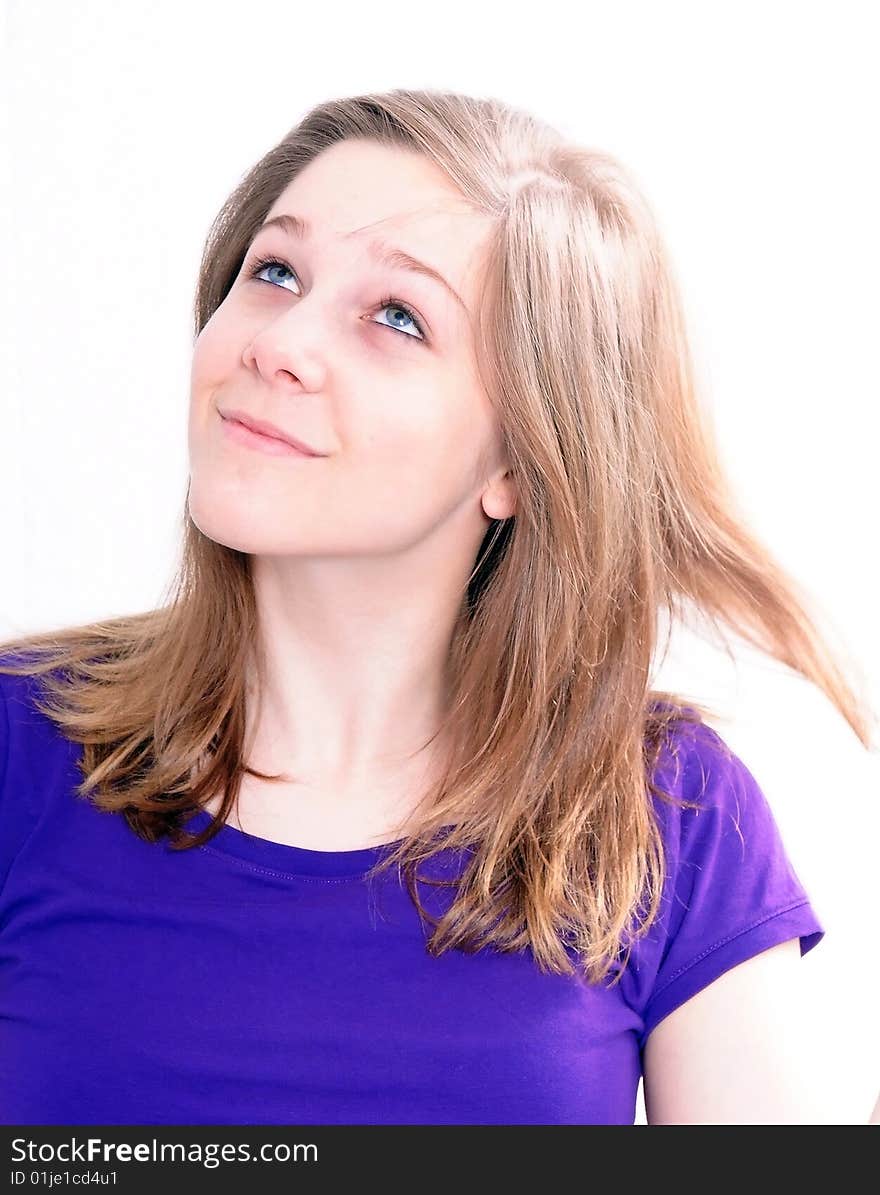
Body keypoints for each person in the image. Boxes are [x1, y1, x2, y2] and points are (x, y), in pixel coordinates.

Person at [0, 88, 875, 1126]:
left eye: (396, 318)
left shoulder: (668, 814)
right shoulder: (20, 741)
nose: (278, 342)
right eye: (274, 271)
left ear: (516, 455)